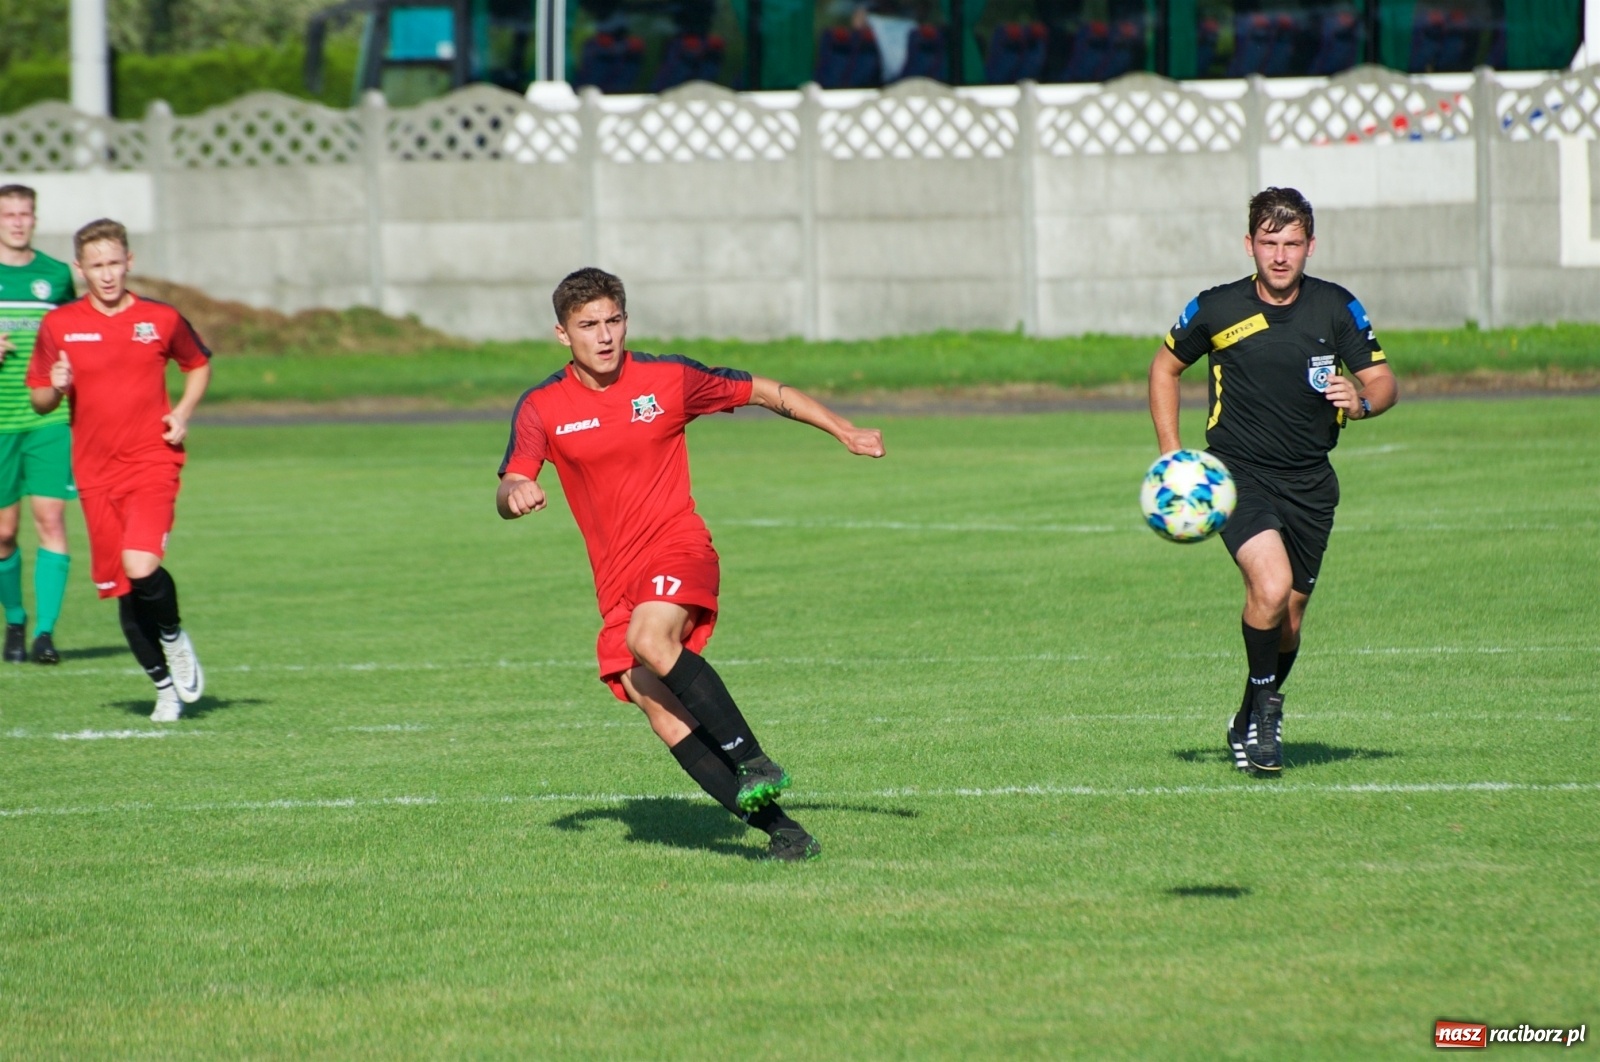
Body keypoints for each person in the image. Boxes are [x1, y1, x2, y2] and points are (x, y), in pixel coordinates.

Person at [497, 267, 885, 860]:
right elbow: (511, 482)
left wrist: (844, 429)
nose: (604, 336)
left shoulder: (667, 379)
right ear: (562, 334)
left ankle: (754, 760)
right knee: (658, 707)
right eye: (588, 325)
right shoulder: (543, 407)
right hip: (616, 581)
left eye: (613, 321)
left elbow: (761, 390)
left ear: (626, 321)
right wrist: (516, 492)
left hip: (677, 545)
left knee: (650, 639)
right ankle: (785, 833)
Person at [1147, 187, 1398, 774]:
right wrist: (1172, 457)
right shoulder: (1216, 308)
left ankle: (1247, 718)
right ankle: (1267, 718)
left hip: (1311, 482)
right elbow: (1164, 368)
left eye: (1292, 243)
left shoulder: (1336, 308)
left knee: (1289, 618)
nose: (1280, 256)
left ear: (1311, 246)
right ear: (1249, 245)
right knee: (1270, 587)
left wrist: (1361, 401)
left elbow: (1383, 382)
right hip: (1238, 475)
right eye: (1269, 243)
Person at [27, 219, 211, 722]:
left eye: (114, 263)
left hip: (152, 460)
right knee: (124, 590)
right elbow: (40, 399)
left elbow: (197, 363)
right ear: (80, 269)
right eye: (96, 266)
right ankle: (165, 689)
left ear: (129, 262)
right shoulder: (59, 325)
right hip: (95, 474)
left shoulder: (160, 318)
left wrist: (182, 413)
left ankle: (173, 636)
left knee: (140, 565)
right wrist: (55, 385)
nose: (106, 274)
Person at [0, 185, 77, 665]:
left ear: (35, 219)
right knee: (3, 533)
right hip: (1, 422)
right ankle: (15, 619)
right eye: (8, 214)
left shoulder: (56, 275)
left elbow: (75, 335)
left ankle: (46, 634)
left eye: (24, 214)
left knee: (51, 519)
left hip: (49, 416)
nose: (17, 222)